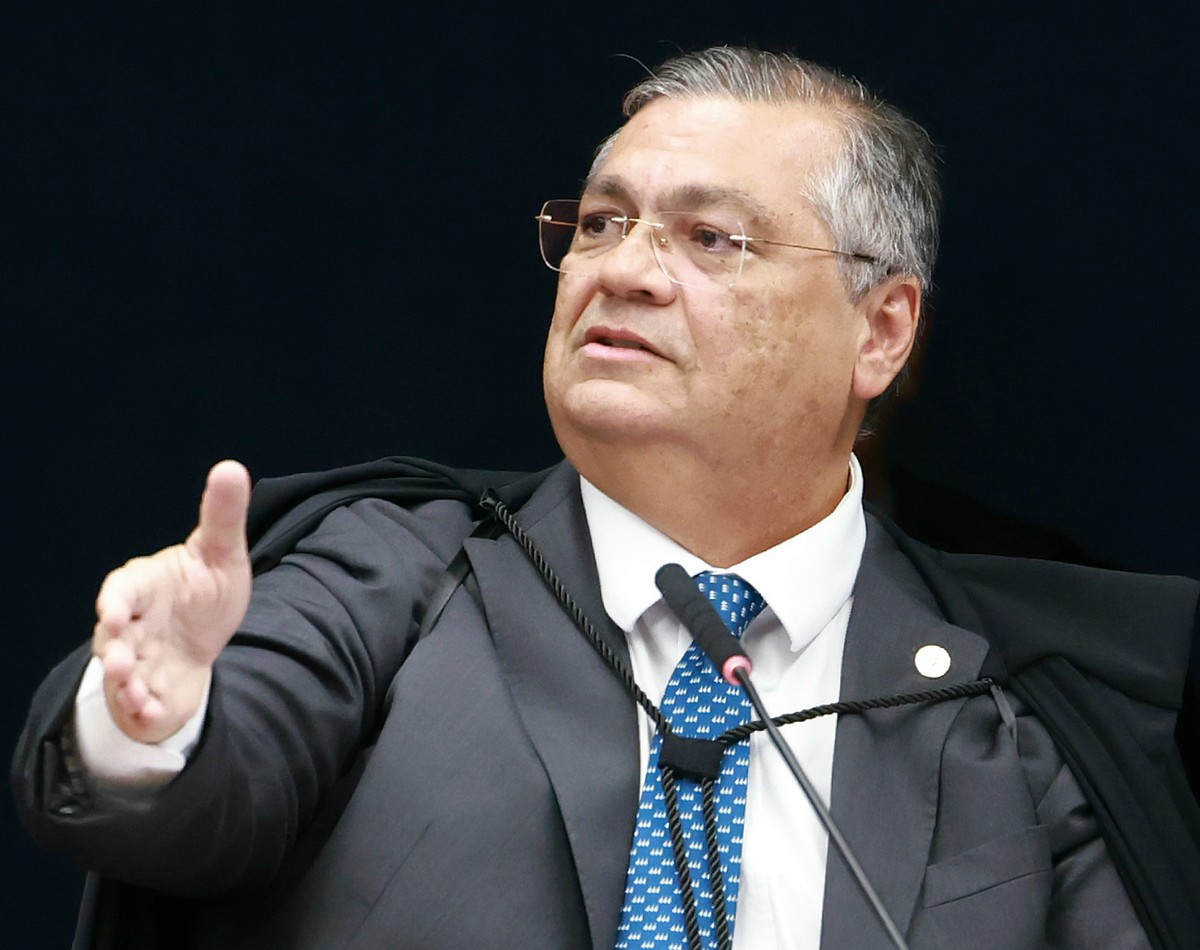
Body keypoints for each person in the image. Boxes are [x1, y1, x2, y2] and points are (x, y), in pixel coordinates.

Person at [13, 46, 1200, 950]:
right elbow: (196, 792)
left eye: (712, 238)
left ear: (881, 331)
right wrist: (153, 718)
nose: (624, 269)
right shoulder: (392, 576)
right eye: (599, 223)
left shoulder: (1022, 704)